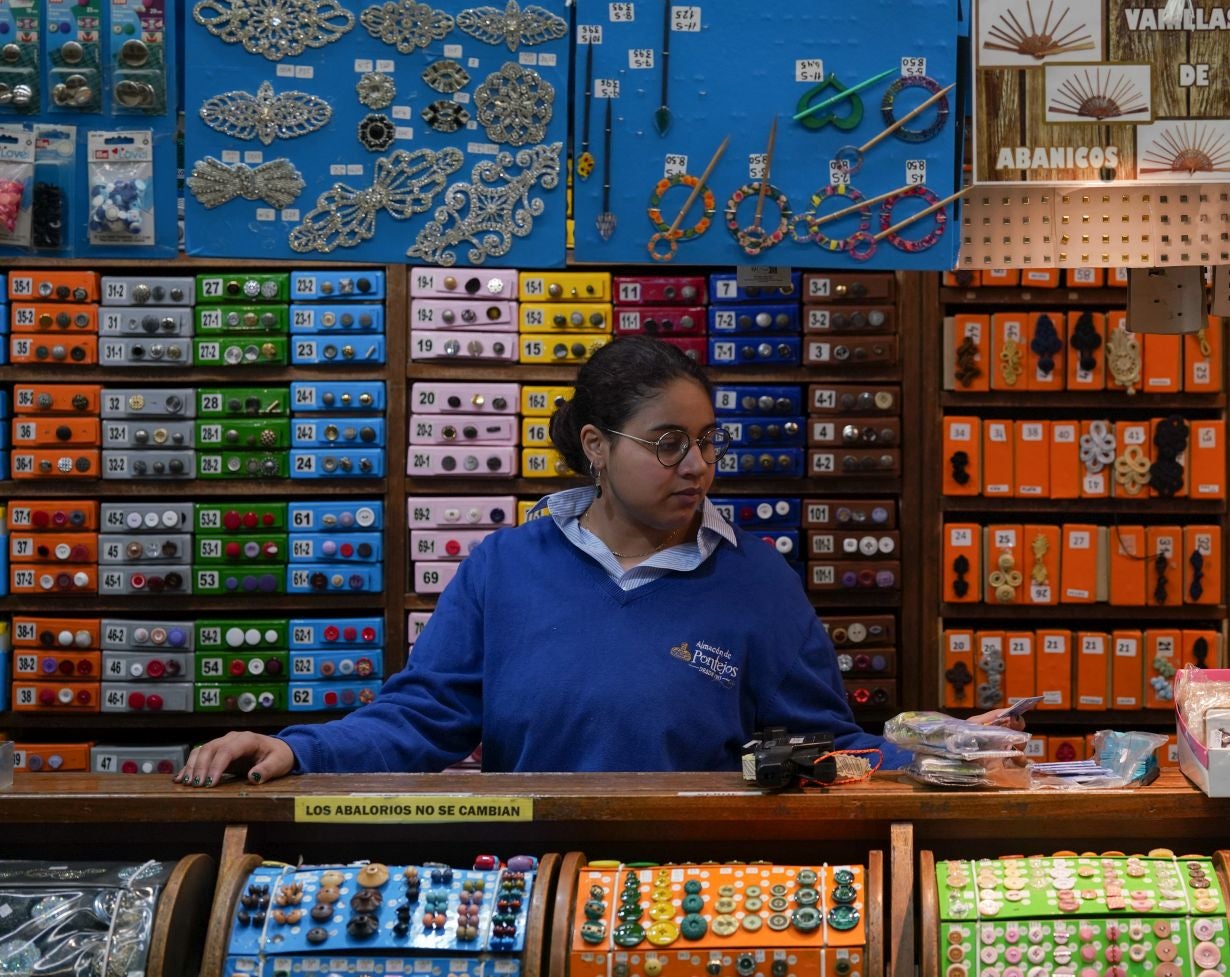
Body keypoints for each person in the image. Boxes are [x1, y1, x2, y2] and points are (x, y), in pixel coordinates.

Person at [177, 337, 903, 786]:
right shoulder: (506, 567)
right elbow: (422, 715)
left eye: (709, 440)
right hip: (529, 878)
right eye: (668, 442)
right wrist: (299, 749)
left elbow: (823, 746)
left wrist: (954, 757)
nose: (698, 465)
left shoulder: (757, 580)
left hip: (698, 894)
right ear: (596, 445)